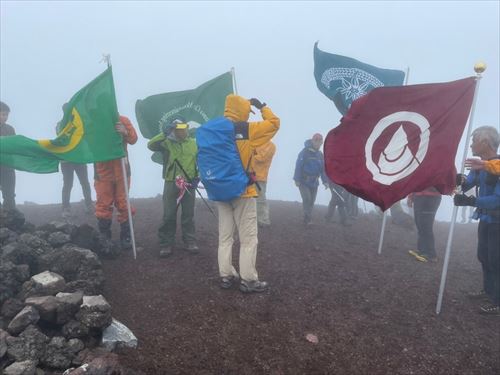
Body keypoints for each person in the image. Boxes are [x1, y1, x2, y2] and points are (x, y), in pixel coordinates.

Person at [216, 94, 280, 293]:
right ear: (243, 110)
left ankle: (226, 276)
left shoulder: (214, 129)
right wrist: (262, 107)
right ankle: (249, 280)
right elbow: (274, 124)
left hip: (220, 190)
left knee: (225, 237)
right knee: (248, 239)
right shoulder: (246, 129)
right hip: (243, 191)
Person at [454, 126, 500, 315]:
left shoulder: (497, 166)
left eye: (474, 140)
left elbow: (498, 200)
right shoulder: (481, 166)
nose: (471, 144)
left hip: (497, 220)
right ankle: (488, 291)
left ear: (485, 143)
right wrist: (459, 180)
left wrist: (470, 201)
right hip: (486, 218)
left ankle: (497, 301)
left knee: (496, 260)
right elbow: (468, 183)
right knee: (484, 256)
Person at [147, 118, 199, 258]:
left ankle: (190, 241)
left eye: (183, 127)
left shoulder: (193, 144)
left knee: (188, 214)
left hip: (189, 184)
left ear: (187, 128)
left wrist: (197, 177)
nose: (180, 131)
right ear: (173, 129)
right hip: (171, 183)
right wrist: (165, 133)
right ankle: (166, 244)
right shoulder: (167, 143)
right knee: (169, 215)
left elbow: (200, 161)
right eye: (176, 128)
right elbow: (150, 145)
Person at [95, 115, 137, 249]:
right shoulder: (95, 121)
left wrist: (125, 132)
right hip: (103, 171)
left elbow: (134, 139)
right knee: (103, 204)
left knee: (123, 203)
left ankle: (126, 238)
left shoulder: (123, 120)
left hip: (122, 170)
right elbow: (88, 142)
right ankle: (105, 239)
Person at [293, 133, 328, 225]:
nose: (318, 143)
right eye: (316, 140)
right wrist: (296, 179)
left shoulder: (320, 155)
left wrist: (325, 181)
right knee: (307, 199)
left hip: (314, 182)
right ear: (312, 141)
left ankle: (306, 217)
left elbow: (323, 170)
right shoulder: (304, 152)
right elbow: (298, 166)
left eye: (320, 141)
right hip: (303, 181)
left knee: (312, 201)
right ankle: (307, 219)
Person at [407, 187, 442, 263]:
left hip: (431, 197)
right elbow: (414, 179)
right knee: (419, 224)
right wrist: (410, 196)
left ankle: (431, 254)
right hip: (419, 196)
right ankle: (422, 250)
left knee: (426, 225)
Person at [253, 140, 276, 227]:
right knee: (247, 199)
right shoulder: (254, 142)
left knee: (260, 199)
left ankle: (264, 220)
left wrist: (248, 155)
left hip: (260, 177)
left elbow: (261, 158)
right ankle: (253, 219)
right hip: (248, 175)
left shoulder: (270, 146)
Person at [0, 101, 17, 211]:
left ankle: (11, 217)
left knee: (9, 195)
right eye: (3, 114)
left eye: (7, 115)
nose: (5, 117)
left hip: (8, 168)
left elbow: (15, 146)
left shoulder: (10, 129)